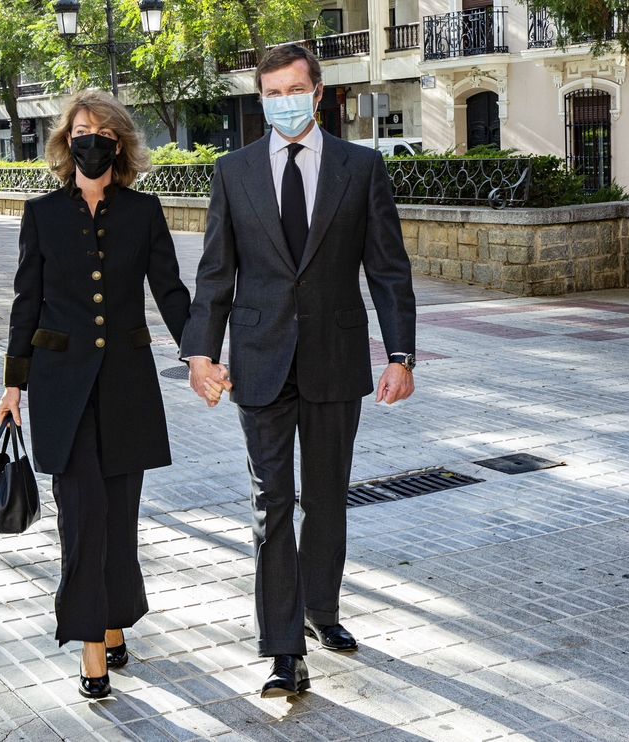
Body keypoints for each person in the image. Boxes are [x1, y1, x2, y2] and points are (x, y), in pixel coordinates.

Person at [180, 44, 417, 699]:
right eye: (270, 91)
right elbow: (214, 274)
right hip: (259, 364)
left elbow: (388, 271)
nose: (282, 100)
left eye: (293, 88)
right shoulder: (233, 172)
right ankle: (284, 649)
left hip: (336, 361)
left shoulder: (361, 168)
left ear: (317, 93)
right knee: (271, 505)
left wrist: (401, 354)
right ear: (261, 98)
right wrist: (201, 352)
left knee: (328, 499)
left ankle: (321, 609)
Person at [0, 89, 190, 700]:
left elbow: (171, 292)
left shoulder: (144, 211)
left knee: (120, 519)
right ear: (64, 140)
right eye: (80, 129)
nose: (91, 139)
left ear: (120, 144)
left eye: (103, 131)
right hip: (62, 392)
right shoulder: (42, 214)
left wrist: (202, 354)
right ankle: (89, 646)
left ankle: (113, 619)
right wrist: (12, 383)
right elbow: (26, 302)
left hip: (127, 388)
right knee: (82, 520)